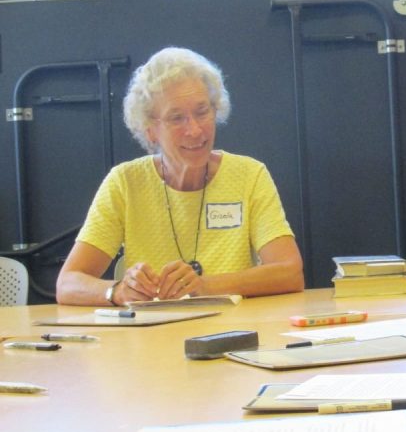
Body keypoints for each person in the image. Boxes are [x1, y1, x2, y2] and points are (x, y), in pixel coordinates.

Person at [57, 47, 304, 306]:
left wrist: (205, 285)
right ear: (150, 130)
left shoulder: (249, 175)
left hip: (234, 334)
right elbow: (68, 283)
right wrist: (117, 291)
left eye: (202, 112)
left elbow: (290, 272)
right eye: (177, 118)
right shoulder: (125, 182)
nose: (195, 130)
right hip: (152, 337)